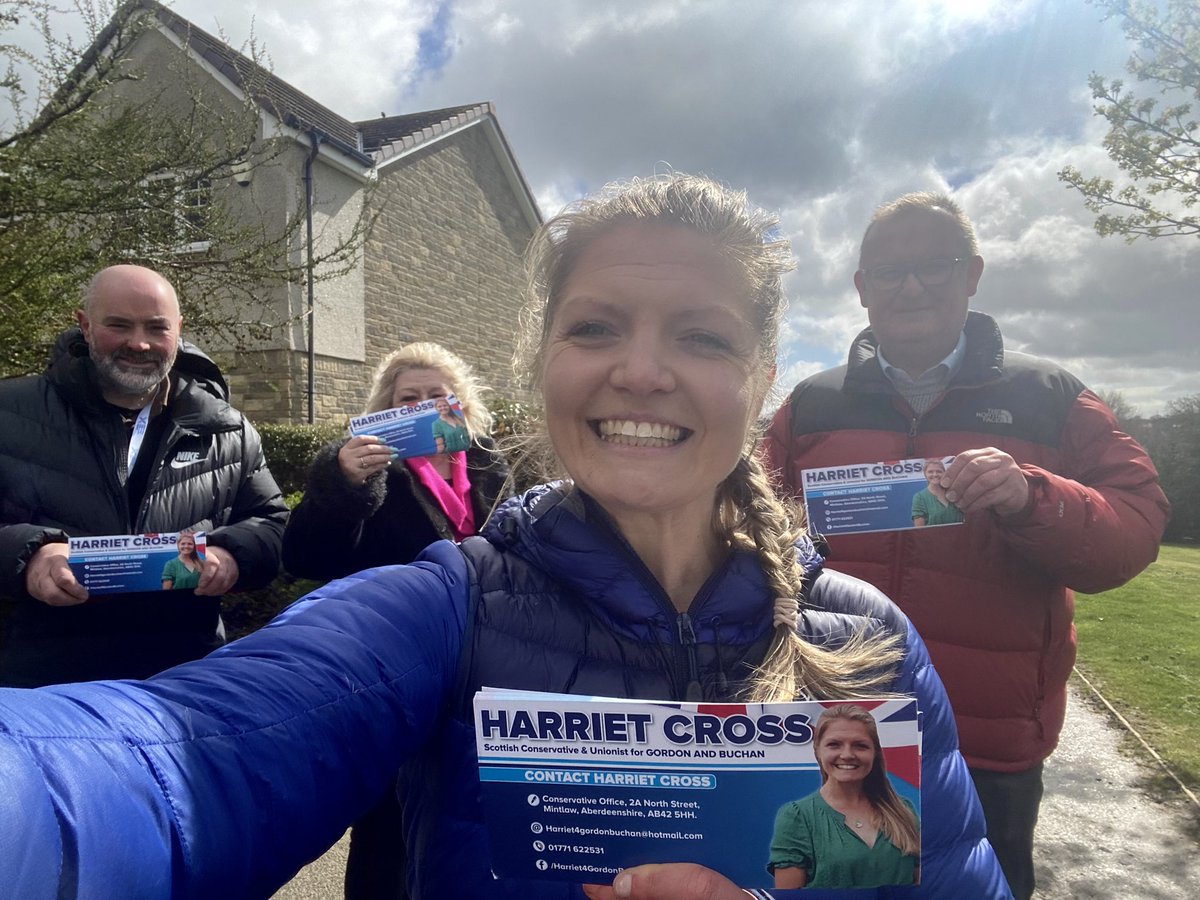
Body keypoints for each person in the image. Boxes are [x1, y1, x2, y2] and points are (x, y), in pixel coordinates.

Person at [0, 176, 1009, 900]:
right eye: (596, 328)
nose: (641, 372)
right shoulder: (450, 604)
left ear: (763, 379)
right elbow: (184, 758)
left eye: (702, 337)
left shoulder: (866, 639)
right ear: (544, 364)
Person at [763, 191, 1170, 899]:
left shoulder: (1052, 396)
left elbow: (1134, 529)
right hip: (835, 724)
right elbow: (751, 525)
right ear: (861, 288)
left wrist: (1031, 496)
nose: (912, 285)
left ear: (973, 274)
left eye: (935, 265)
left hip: (987, 744)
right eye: (890, 271)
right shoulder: (811, 405)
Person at [282, 341, 511, 899]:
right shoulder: (368, 473)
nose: (425, 405)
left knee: (478, 820)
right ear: (388, 407)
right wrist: (343, 486)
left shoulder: (492, 467)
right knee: (389, 827)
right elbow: (306, 559)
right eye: (409, 397)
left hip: (487, 669)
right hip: (398, 670)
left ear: (460, 402)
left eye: (438, 395)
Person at [0, 264, 288, 687]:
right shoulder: (9, 413)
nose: (139, 343)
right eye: (119, 325)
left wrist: (230, 554)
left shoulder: (227, 428)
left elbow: (274, 524)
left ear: (179, 329)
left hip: (184, 687)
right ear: (84, 325)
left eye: (157, 327)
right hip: (43, 691)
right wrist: (29, 556)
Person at [768, 704, 920, 889]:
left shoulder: (903, 810)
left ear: (875, 753)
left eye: (860, 746)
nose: (847, 754)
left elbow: (919, 883)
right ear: (817, 751)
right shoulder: (797, 816)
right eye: (834, 744)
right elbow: (787, 897)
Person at [910, 458, 962, 527]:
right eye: (930, 472)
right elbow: (920, 530)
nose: (935, 474)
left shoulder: (955, 492)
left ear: (944, 473)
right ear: (925, 474)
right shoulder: (919, 497)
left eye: (939, 471)